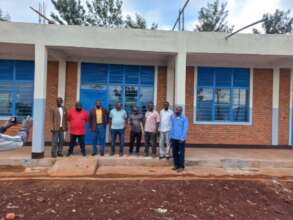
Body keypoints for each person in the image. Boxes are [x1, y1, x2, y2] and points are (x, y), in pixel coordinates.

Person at [170, 106, 189, 172]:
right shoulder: (173, 117)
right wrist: (171, 137)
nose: (176, 111)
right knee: (174, 152)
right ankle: (176, 165)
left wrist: (182, 138)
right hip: (173, 138)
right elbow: (172, 127)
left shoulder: (184, 118)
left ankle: (181, 166)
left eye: (178, 110)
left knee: (181, 153)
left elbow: (185, 128)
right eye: (176, 110)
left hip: (181, 139)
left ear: (181, 111)